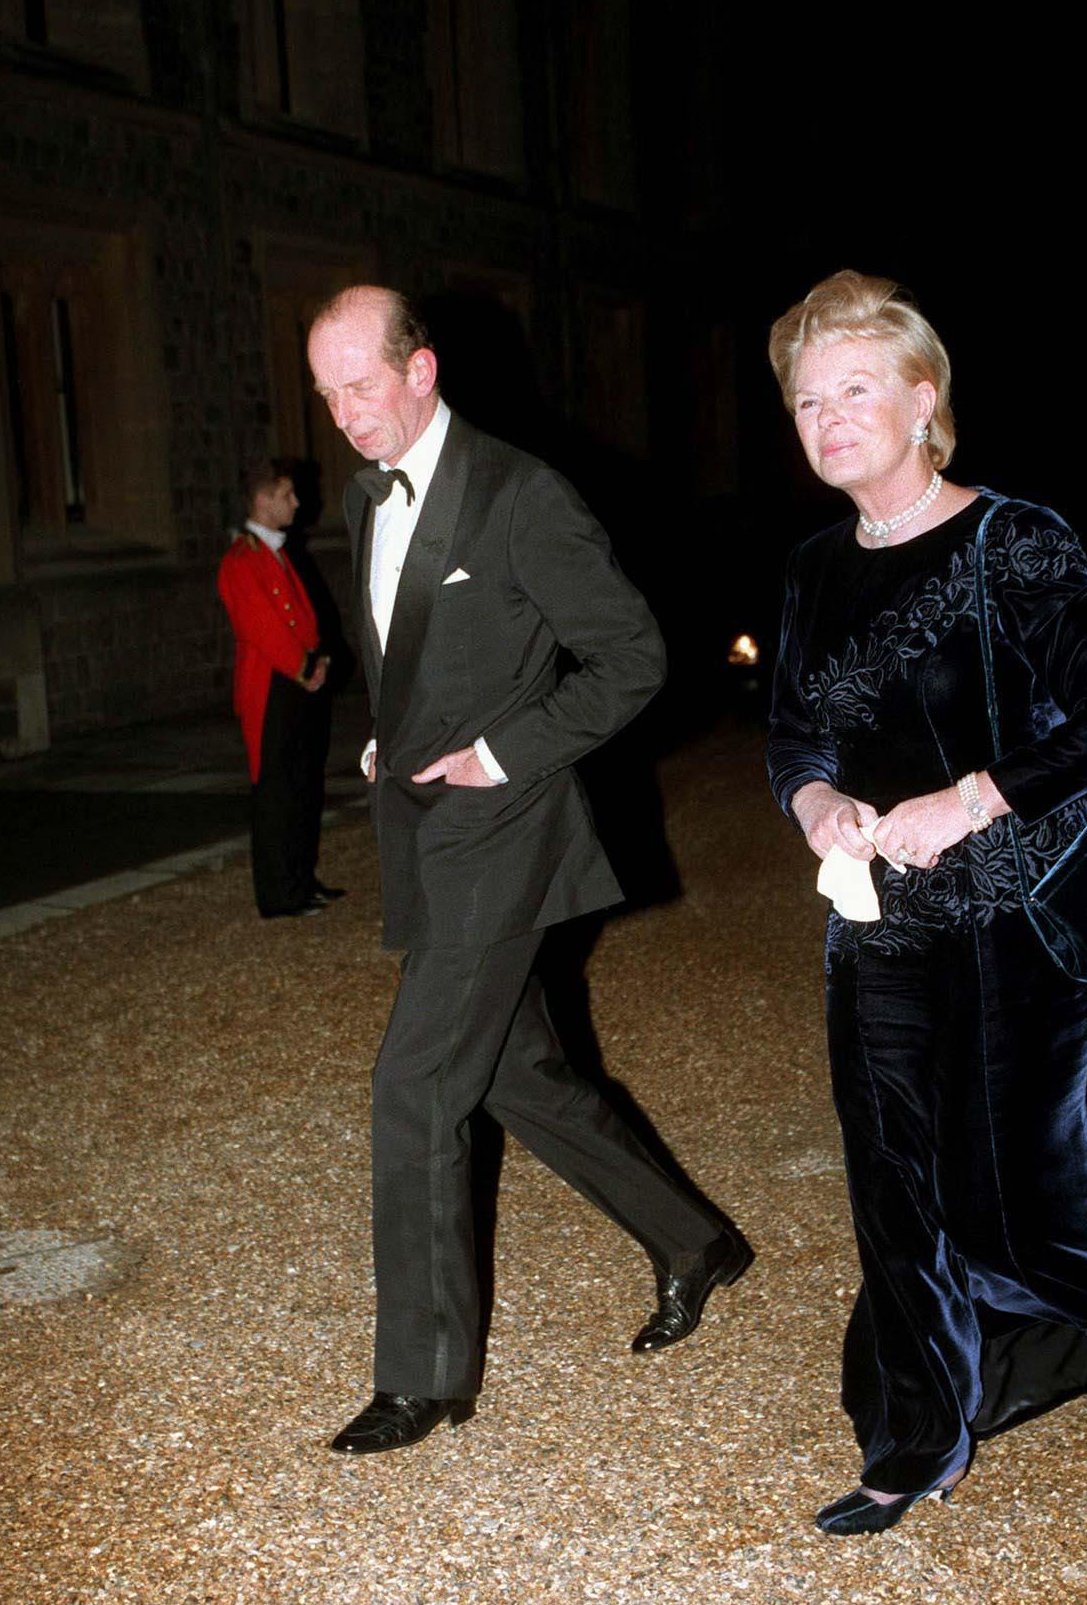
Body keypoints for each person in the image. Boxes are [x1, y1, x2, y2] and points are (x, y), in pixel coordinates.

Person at [766, 270, 1087, 1534]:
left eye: (857, 390)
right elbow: (793, 737)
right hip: (876, 923)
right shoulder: (809, 569)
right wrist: (815, 808)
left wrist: (972, 798)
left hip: (1020, 915)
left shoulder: (1014, 538)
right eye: (808, 400)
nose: (831, 416)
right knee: (893, 1186)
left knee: (1022, 1195)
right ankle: (915, 1443)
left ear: (922, 400)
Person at [307, 284, 750, 1454]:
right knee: (516, 1078)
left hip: (507, 836)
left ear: (421, 371)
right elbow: (406, 653)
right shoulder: (368, 501)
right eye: (327, 392)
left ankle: (425, 1375)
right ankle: (695, 1240)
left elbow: (634, 657)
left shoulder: (520, 495)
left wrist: (503, 751)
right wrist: (385, 736)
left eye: (361, 385)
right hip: (423, 830)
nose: (345, 414)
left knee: (415, 1086)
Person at [217, 459, 344, 919]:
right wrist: (303, 665)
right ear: (263, 500)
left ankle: (301, 880)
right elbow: (262, 628)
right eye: (287, 494)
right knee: (276, 791)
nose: (296, 502)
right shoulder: (242, 559)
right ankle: (279, 894)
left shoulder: (276, 552)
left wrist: (320, 659)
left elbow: (301, 618)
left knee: (304, 786)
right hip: (273, 688)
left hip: (297, 683)